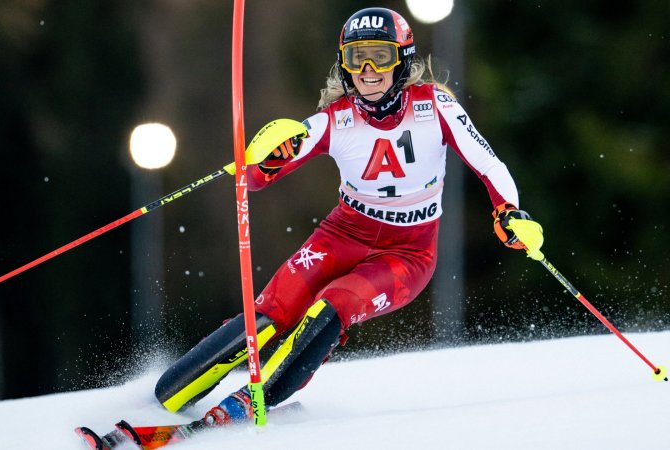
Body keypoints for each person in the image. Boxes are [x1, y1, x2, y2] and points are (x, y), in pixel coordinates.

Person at [154, 6, 543, 426]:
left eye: (381, 56)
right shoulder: (334, 120)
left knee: (333, 305)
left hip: (406, 255)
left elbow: (490, 166)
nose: (369, 70)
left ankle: (253, 399)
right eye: (357, 58)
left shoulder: (436, 108)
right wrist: (262, 162)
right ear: (344, 64)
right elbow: (254, 178)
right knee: (273, 309)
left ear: (404, 59)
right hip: (341, 235)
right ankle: (167, 396)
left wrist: (509, 211)